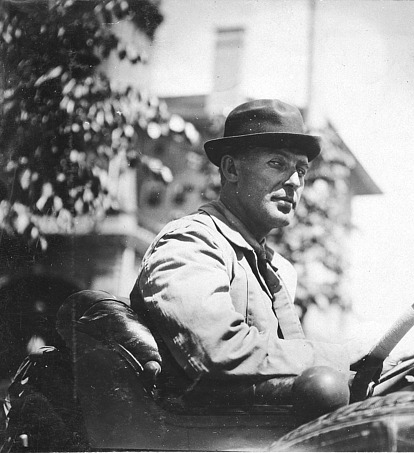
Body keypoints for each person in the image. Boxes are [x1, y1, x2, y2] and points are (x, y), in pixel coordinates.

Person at [129, 99, 377, 407]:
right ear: (231, 168)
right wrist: (345, 354)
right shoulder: (191, 241)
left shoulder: (277, 268)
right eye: (277, 164)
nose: (295, 181)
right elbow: (219, 349)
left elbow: (285, 363)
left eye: (301, 169)